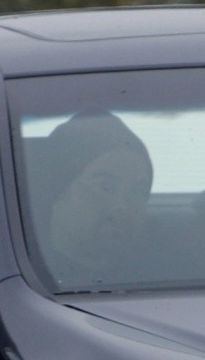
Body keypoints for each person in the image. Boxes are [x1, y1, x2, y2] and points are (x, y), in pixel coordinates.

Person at [31, 111, 155, 286]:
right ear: (56, 191)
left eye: (137, 192)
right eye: (106, 187)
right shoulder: (25, 281)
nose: (123, 206)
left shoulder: (164, 276)